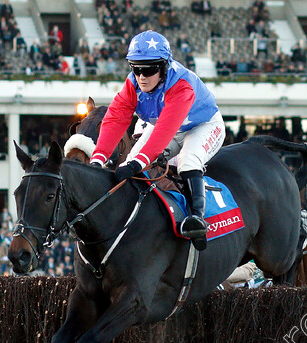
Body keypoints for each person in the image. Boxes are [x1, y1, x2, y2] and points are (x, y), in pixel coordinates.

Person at [90, 30, 225, 251]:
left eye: (149, 69)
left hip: (204, 126)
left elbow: (164, 131)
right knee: (130, 161)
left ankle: (197, 220)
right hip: (169, 127)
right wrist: (98, 158)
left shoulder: (181, 85)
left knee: (188, 161)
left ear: (163, 67)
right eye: (135, 68)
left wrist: (137, 163)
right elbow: (115, 118)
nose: (141, 77)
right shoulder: (132, 85)